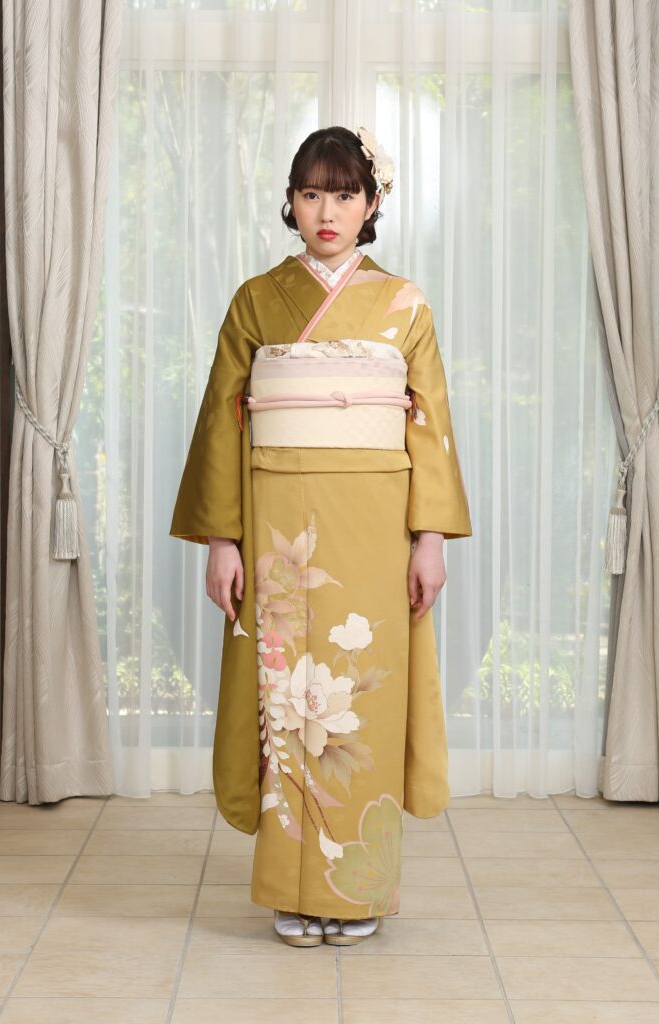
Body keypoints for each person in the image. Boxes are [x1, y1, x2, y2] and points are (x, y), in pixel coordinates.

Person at [170, 125, 472, 948]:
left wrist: (431, 538)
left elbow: (429, 426)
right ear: (291, 203)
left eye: (344, 194)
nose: (327, 211)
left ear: (373, 204)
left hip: (376, 520)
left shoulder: (405, 304)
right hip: (277, 522)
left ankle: (358, 890)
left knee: (360, 695)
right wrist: (223, 541)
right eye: (311, 194)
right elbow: (222, 424)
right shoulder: (255, 300)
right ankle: (289, 888)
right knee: (285, 697)